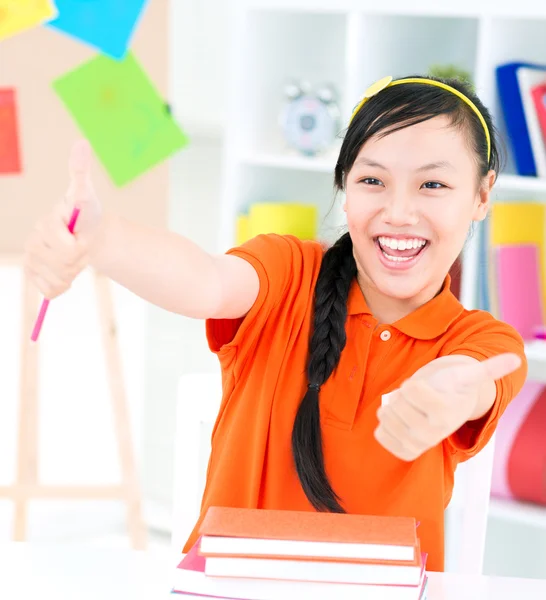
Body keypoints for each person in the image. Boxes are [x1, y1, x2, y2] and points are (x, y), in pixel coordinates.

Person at [24, 74, 527, 571]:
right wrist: (101, 237)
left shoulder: (482, 341)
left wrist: (449, 393)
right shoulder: (286, 273)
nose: (398, 212)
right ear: (345, 190)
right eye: (372, 180)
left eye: (433, 184)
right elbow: (204, 280)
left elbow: (474, 380)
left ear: (482, 196)